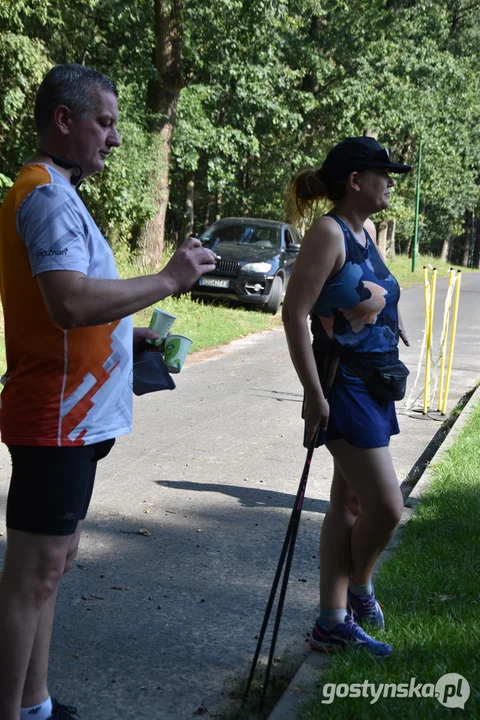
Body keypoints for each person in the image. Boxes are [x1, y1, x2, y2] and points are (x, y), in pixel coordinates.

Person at [0, 63, 216, 720]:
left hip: (75, 419)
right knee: (31, 577)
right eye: (106, 122)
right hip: (55, 418)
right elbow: (67, 302)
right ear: (63, 120)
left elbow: (78, 307)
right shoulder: (44, 196)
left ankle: (33, 703)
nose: (115, 139)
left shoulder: (54, 191)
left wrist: (134, 337)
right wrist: (170, 279)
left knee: (53, 565)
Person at [282, 136, 411, 657]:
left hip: (376, 380)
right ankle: (359, 585)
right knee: (387, 505)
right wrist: (313, 394)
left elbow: (372, 287)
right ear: (355, 181)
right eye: (382, 173)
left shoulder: (367, 229)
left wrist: (390, 319)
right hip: (344, 385)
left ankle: (331, 622)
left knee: (350, 503)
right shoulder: (327, 233)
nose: (390, 182)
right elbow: (295, 313)